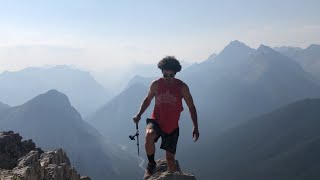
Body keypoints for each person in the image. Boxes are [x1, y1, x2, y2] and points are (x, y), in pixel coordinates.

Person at [133, 56, 199, 178]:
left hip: (172, 127)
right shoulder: (156, 84)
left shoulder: (182, 87)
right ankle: (151, 164)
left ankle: (171, 175)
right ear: (162, 72)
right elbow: (147, 100)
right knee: (149, 135)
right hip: (156, 121)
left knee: (170, 160)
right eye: (165, 75)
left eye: (171, 75)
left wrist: (195, 126)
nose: (168, 78)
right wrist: (139, 114)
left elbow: (191, 106)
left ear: (175, 73)